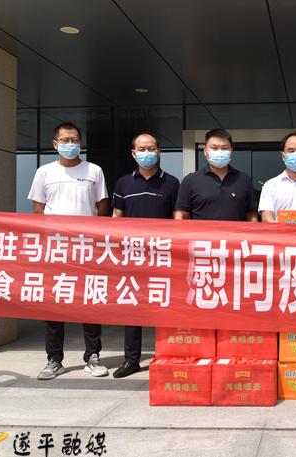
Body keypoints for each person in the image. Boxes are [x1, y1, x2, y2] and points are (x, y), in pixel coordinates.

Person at [28, 122, 109, 380]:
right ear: (55, 144)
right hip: (56, 249)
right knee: (54, 303)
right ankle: (54, 360)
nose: (70, 144)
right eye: (64, 140)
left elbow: (102, 206)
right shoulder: (44, 172)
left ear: (81, 144)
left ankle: (92, 356)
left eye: (74, 140)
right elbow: (38, 210)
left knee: (90, 301)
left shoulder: (94, 170)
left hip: (87, 248)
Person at [111, 133, 180, 378]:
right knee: (133, 308)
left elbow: (178, 219)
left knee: (165, 307)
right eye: (141, 149)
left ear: (159, 152)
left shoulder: (172, 183)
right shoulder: (123, 183)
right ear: (133, 153)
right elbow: (116, 219)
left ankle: (168, 356)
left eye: (151, 148)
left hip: (163, 255)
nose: (147, 153)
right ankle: (132, 360)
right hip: (133, 256)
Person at [174, 128, 258, 221]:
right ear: (205, 151)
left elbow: (251, 215)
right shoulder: (190, 181)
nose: (219, 152)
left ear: (231, 151)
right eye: (214, 148)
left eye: (224, 148)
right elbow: (181, 215)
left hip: (235, 231)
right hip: (202, 231)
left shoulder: (244, 180)